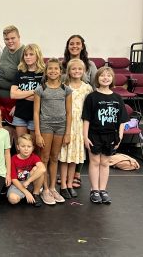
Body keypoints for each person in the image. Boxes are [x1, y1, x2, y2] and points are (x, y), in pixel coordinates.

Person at [82, 67, 128, 204]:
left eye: (108, 75)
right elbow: (86, 119)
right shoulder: (92, 97)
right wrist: (85, 137)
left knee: (105, 162)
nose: (105, 78)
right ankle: (94, 190)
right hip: (94, 134)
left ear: (112, 79)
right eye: (102, 75)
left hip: (111, 135)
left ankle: (103, 189)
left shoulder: (117, 98)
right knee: (95, 162)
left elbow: (122, 121)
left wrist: (120, 136)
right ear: (97, 78)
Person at [33, 58, 72, 205]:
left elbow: (69, 113)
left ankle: (52, 188)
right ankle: (45, 190)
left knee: (55, 157)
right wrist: (37, 133)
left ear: (61, 72)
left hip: (61, 127)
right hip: (46, 126)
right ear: (46, 71)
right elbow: (36, 113)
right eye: (50, 69)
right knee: (45, 158)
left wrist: (67, 132)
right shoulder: (40, 89)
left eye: (56, 69)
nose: (53, 71)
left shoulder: (66, 90)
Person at [62, 34, 97, 189]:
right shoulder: (62, 64)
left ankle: (76, 175)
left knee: (78, 146)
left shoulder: (90, 65)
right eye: (71, 43)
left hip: (82, 113)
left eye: (78, 43)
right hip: (67, 115)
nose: (74, 46)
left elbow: (96, 88)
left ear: (82, 46)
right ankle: (64, 179)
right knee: (65, 148)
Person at [59, 59, 93, 199]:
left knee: (73, 158)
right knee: (64, 157)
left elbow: (89, 109)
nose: (77, 71)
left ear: (84, 71)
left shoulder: (87, 88)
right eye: (74, 69)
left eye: (80, 69)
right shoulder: (63, 86)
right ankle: (62, 186)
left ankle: (69, 184)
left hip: (79, 127)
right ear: (69, 71)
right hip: (65, 125)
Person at [10, 44, 45, 140]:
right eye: (26, 55)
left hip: (36, 116)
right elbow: (13, 94)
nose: (28, 57)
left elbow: (42, 97)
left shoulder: (43, 74)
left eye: (31, 54)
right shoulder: (20, 72)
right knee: (22, 146)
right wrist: (34, 91)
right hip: (20, 114)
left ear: (37, 55)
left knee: (34, 147)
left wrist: (21, 95)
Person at [0, 25, 25, 124]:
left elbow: (26, 82)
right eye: (6, 39)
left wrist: (19, 105)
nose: (10, 41)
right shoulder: (5, 50)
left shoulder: (24, 53)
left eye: (13, 38)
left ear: (19, 37)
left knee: (12, 133)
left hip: (12, 104)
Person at [7, 134, 45, 207]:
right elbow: (14, 179)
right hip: (18, 184)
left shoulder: (34, 157)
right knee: (13, 199)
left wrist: (28, 181)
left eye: (29, 146)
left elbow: (43, 169)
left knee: (38, 169)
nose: (26, 149)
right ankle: (27, 194)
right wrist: (26, 192)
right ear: (18, 147)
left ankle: (36, 194)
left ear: (33, 148)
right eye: (23, 146)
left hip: (29, 182)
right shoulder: (13, 159)